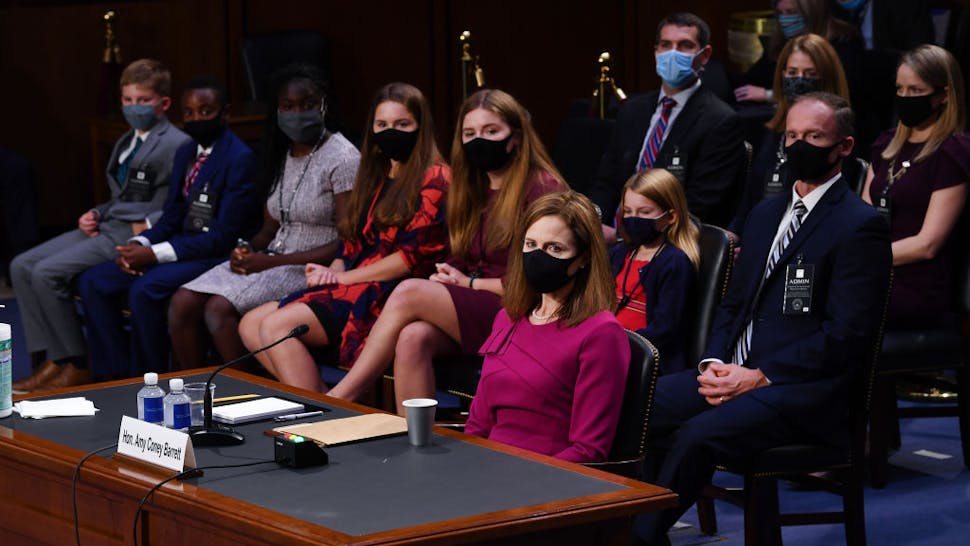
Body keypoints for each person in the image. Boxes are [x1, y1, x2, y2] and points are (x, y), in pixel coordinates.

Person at [631, 92, 891, 545]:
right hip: (732, 371)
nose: (798, 145)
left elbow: (845, 335)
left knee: (697, 435)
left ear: (844, 147)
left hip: (801, 389)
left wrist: (759, 376)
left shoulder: (859, 225)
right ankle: (639, 529)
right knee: (636, 405)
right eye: (791, 135)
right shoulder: (766, 213)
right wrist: (714, 362)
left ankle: (637, 538)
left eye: (813, 136)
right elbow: (733, 303)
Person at [325, 89, 565, 410]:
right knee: (413, 338)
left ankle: (342, 398)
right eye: (470, 133)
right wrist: (448, 273)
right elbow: (460, 254)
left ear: (516, 138)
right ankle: (416, 445)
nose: (479, 141)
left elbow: (539, 279)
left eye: (491, 131)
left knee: (410, 291)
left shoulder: (542, 189)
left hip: (524, 309)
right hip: (477, 300)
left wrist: (468, 284)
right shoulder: (472, 186)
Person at [238, 82, 450, 393]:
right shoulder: (375, 170)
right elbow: (352, 242)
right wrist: (330, 272)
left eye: (402, 124)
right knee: (250, 324)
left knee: (274, 326)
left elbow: (409, 260)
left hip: (390, 289)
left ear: (420, 127)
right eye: (383, 125)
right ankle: (319, 403)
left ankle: (325, 415)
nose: (391, 132)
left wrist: (345, 279)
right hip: (353, 280)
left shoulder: (435, 176)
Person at [10, 59, 190, 391]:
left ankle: (76, 364)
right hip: (108, 222)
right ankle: (51, 359)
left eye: (143, 100)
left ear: (164, 103)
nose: (134, 108)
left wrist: (150, 226)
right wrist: (95, 211)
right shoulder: (126, 140)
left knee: (46, 273)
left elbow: (178, 201)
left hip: (132, 232)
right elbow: (122, 195)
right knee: (21, 265)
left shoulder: (175, 143)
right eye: (128, 100)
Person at [168, 64, 360, 369]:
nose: (298, 113)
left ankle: (245, 398)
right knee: (182, 302)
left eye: (307, 105)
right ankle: (195, 394)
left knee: (218, 309)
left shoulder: (344, 157)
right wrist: (246, 248)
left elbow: (347, 243)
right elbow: (271, 225)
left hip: (311, 266)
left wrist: (268, 262)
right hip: (271, 257)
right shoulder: (282, 151)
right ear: (278, 110)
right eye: (288, 106)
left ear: (323, 105)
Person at [77, 75, 260, 380]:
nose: (196, 119)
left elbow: (222, 236)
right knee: (94, 281)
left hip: (214, 253)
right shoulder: (187, 151)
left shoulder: (239, 158)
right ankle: (113, 376)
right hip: (179, 244)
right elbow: (174, 212)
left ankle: (150, 378)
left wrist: (155, 255)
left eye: (205, 111)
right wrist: (143, 243)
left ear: (224, 113)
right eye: (188, 113)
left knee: (144, 290)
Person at [464, 190, 630, 463]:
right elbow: (478, 425)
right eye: (530, 244)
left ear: (584, 258)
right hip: (487, 468)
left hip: (546, 479)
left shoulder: (601, 333)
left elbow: (589, 449)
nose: (537, 257)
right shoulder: (507, 318)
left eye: (555, 248)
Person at [587, 12, 744, 232]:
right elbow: (607, 180)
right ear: (656, 51)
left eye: (684, 46)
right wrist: (592, 223)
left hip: (666, 238)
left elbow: (701, 204)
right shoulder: (633, 110)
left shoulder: (720, 120)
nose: (672, 53)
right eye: (665, 45)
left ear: (705, 55)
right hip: (611, 231)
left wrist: (628, 237)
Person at [862, 44, 969, 328]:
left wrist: (864, 259)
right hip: (871, 270)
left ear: (943, 95)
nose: (905, 98)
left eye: (916, 91)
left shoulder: (953, 153)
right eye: (900, 89)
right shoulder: (886, 145)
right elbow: (862, 217)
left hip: (916, 283)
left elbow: (928, 244)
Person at [729, 33, 851, 233]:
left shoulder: (837, 138)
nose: (800, 80)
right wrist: (731, 238)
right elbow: (749, 201)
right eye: (792, 72)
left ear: (827, 78)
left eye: (811, 74)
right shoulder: (772, 131)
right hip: (758, 234)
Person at [610, 169, 699, 375]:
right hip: (606, 347)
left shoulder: (674, 262)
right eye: (628, 211)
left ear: (670, 216)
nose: (633, 219)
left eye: (644, 212)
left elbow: (664, 330)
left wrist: (617, 344)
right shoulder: (618, 253)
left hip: (644, 359)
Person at [734, 0, 861, 104]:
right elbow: (753, 79)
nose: (784, 19)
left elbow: (833, 93)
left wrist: (769, 95)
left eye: (791, 12)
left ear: (811, 12)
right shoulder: (783, 44)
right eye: (780, 13)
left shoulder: (843, 42)